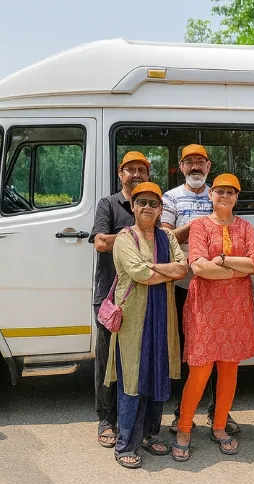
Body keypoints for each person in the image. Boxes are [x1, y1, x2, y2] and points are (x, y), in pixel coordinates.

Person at [171, 174, 254, 461]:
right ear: (211, 195)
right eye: (220, 191)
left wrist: (222, 262)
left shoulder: (246, 227)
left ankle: (220, 425)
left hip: (236, 309)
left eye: (230, 192)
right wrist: (239, 271)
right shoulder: (199, 226)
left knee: (229, 369)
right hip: (206, 309)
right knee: (200, 370)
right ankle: (184, 428)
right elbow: (198, 266)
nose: (224, 196)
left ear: (237, 197)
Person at [104, 182, 188, 468]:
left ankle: (150, 434)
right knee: (133, 378)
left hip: (162, 316)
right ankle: (125, 442)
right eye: (142, 202)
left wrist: (152, 268)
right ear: (133, 206)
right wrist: (157, 270)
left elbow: (182, 267)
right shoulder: (125, 238)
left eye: (154, 203)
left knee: (157, 373)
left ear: (161, 208)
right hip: (134, 320)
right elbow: (138, 273)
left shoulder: (166, 236)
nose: (148, 208)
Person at [161, 144, 240, 435]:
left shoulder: (219, 192)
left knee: (223, 354)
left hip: (221, 290)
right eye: (189, 162)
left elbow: (230, 230)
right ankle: (183, 413)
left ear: (208, 166)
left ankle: (219, 413)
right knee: (190, 354)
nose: (195, 167)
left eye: (200, 162)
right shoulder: (170, 197)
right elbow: (166, 236)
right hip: (183, 286)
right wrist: (198, 226)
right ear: (180, 167)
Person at [89, 151, 150, 448]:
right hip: (111, 297)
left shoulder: (152, 205)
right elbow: (101, 242)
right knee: (107, 359)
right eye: (131, 170)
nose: (136, 174)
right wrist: (135, 234)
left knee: (141, 359)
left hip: (144, 297)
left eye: (142, 170)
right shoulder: (109, 204)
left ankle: (140, 422)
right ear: (120, 173)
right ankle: (106, 419)